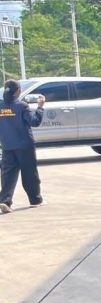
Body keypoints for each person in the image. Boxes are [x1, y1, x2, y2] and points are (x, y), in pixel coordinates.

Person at [0, 79, 45, 213]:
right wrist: (40, 107)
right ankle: (35, 200)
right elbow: (34, 122)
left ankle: (5, 201)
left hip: (7, 145)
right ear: (18, 91)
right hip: (25, 146)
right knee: (29, 173)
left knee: (8, 175)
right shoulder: (22, 106)